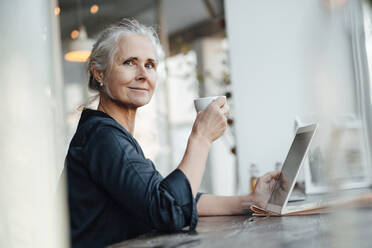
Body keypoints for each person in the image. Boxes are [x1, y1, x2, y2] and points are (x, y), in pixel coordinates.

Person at [65, 18, 280, 248]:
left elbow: (171, 196)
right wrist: (201, 138)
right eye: (129, 62)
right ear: (99, 74)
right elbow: (169, 209)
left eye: (150, 65)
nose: (143, 74)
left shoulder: (109, 134)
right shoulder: (103, 137)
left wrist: (249, 201)